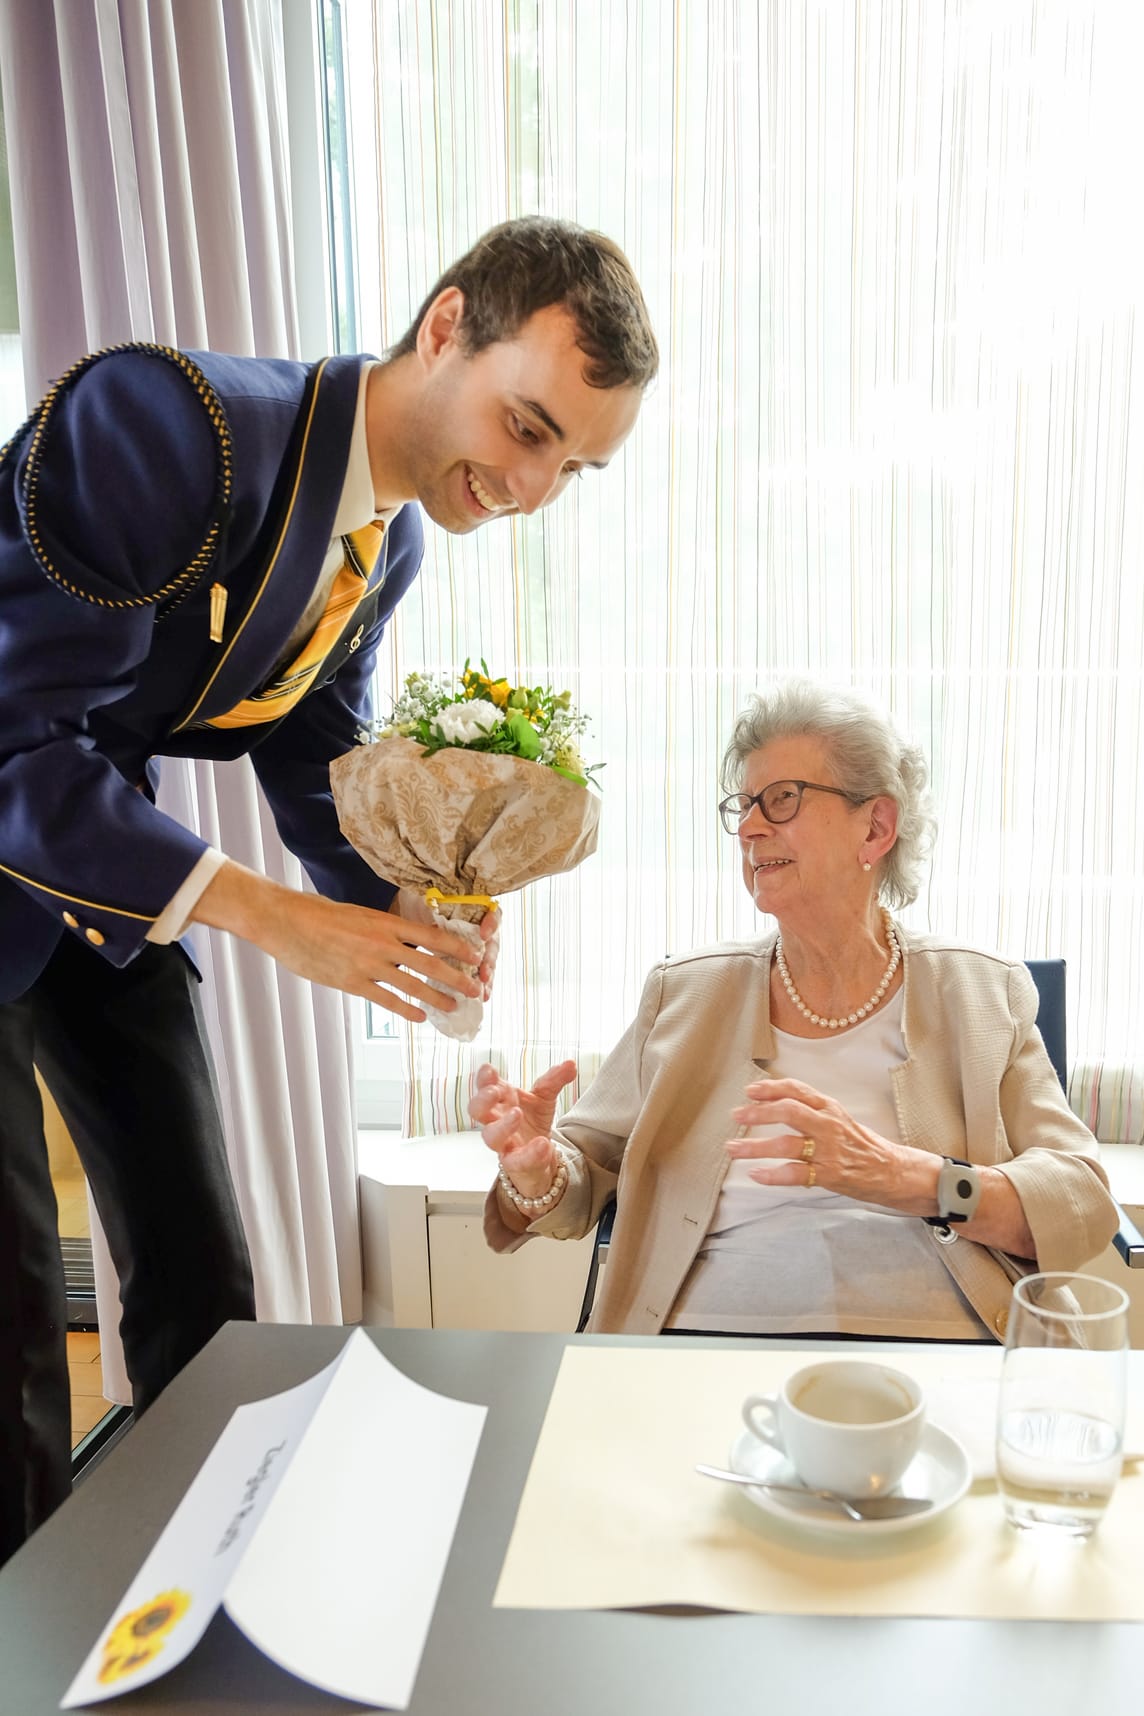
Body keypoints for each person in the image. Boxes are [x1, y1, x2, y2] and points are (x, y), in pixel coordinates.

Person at [0, 216, 659, 1563]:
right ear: (443, 325)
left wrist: (400, 900)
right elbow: (11, 738)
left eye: (571, 468)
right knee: (11, 1335)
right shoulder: (161, 421)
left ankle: (206, 1606)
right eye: (528, 427)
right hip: (41, 821)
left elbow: (312, 750)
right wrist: (282, 921)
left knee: (206, 1279)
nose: (533, 486)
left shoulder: (391, 542)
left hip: (89, 877)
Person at [474, 680, 1118, 1338]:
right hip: (707, 1344)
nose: (751, 827)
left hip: (940, 1348)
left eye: (782, 800)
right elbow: (584, 1178)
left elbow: (1082, 1201)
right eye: (745, 805)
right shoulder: (686, 992)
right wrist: (539, 1167)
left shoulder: (983, 991)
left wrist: (908, 1177)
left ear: (875, 828)